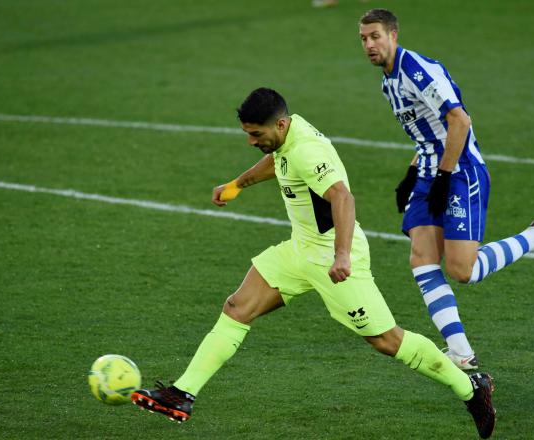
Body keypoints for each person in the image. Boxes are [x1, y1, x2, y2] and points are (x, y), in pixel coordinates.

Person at [132, 87, 496, 438]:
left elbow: (343, 197)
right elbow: (278, 161)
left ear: (279, 125)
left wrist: (340, 255)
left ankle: (470, 387)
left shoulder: (308, 150)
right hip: (299, 250)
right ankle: (183, 393)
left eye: (255, 134)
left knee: (387, 340)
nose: (250, 141)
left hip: (334, 258)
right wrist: (239, 183)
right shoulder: (288, 135)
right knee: (237, 307)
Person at [358, 8, 534, 370]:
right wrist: (411, 176)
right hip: (430, 172)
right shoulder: (387, 82)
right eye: (364, 38)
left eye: (375, 36)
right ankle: (461, 351)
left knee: (464, 270)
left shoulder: (417, 70)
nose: (369, 44)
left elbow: (459, 121)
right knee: (421, 258)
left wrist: (443, 178)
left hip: (461, 172)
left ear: (393, 35)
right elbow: (429, 134)